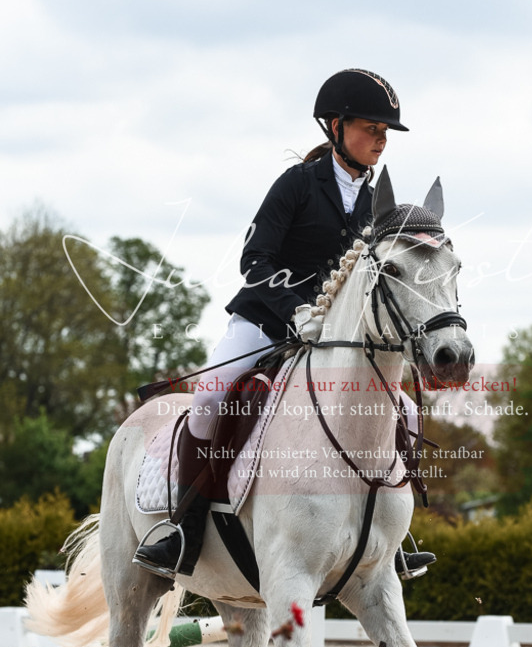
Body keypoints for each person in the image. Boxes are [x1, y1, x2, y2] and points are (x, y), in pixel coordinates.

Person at [133, 69, 436, 581]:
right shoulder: (297, 185)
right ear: (336, 127)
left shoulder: (377, 202)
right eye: (372, 129)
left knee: (401, 411)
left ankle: (390, 541)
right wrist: (296, 308)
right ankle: (182, 528)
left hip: (331, 339)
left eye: (386, 133)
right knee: (211, 396)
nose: (381, 141)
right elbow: (255, 259)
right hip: (267, 321)